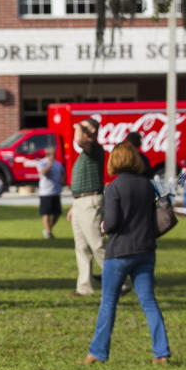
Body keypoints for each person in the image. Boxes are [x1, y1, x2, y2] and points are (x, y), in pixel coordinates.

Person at [78, 142, 170, 364]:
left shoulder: (114, 188)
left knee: (108, 302)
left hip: (119, 252)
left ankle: (98, 353)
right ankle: (161, 352)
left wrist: (103, 227)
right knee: (149, 302)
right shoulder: (147, 186)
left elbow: (112, 223)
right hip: (145, 250)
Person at [67, 117, 107, 296]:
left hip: (90, 203)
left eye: (84, 128)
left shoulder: (95, 149)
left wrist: (78, 126)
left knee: (97, 244)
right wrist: (74, 206)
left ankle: (117, 282)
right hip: (80, 202)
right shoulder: (87, 153)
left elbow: (79, 140)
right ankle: (84, 287)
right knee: (82, 247)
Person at [36, 146, 64, 239]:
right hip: (45, 192)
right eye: (51, 154)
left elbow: (62, 174)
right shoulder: (42, 163)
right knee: (46, 214)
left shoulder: (58, 164)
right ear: (47, 154)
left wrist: (62, 180)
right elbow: (43, 173)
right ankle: (48, 233)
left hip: (56, 191)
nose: (53, 156)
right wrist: (50, 165)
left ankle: (48, 229)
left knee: (57, 214)